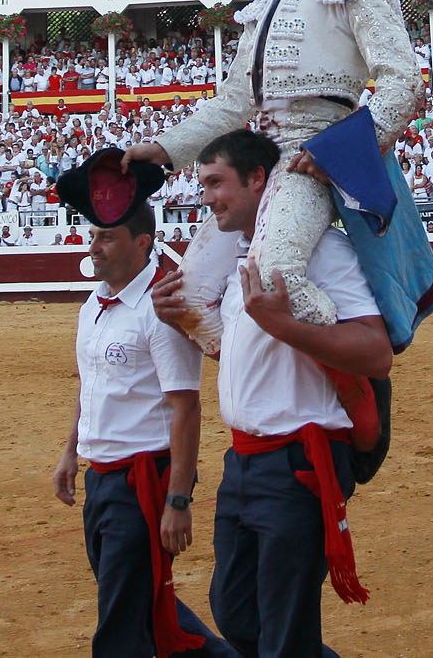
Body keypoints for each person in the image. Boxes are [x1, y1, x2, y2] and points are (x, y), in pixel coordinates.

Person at [125, 0, 423, 353]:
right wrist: (163, 148)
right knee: (188, 298)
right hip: (255, 163)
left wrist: (339, 153)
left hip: (312, 158)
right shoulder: (260, 7)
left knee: (274, 273)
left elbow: (402, 79)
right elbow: (232, 104)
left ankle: (354, 385)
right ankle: (261, 381)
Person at [151, 129, 392, 658]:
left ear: (260, 179)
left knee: (283, 624)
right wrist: (182, 321)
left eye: (217, 183)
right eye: (203, 184)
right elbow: (249, 357)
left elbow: (375, 353)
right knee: (237, 608)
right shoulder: (241, 255)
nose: (207, 197)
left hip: (297, 462)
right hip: (244, 461)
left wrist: (283, 326)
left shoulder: (320, 251)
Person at [51, 150, 232, 657]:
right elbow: (90, 384)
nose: (95, 246)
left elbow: (185, 408)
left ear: (142, 242)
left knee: (122, 626)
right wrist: (72, 451)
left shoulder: (161, 308)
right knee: (144, 606)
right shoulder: (95, 303)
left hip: (142, 482)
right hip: (102, 476)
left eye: (107, 237)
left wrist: (177, 500)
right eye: (94, 235)